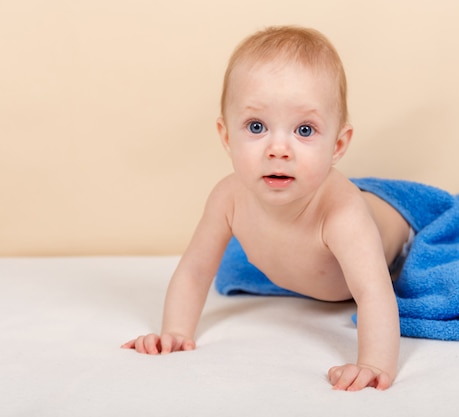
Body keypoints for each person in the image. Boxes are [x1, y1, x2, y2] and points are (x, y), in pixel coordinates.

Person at [122, 25, 412, 391]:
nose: (278, 149)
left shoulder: (342, 214)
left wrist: (373, 363)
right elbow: (195, 270)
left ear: (338, 146)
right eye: (256, 126)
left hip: (398, 244)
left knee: (388, 222)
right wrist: (175, 332)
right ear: (227, 137)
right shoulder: (228, 198)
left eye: (304, 130)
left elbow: (373, 293)